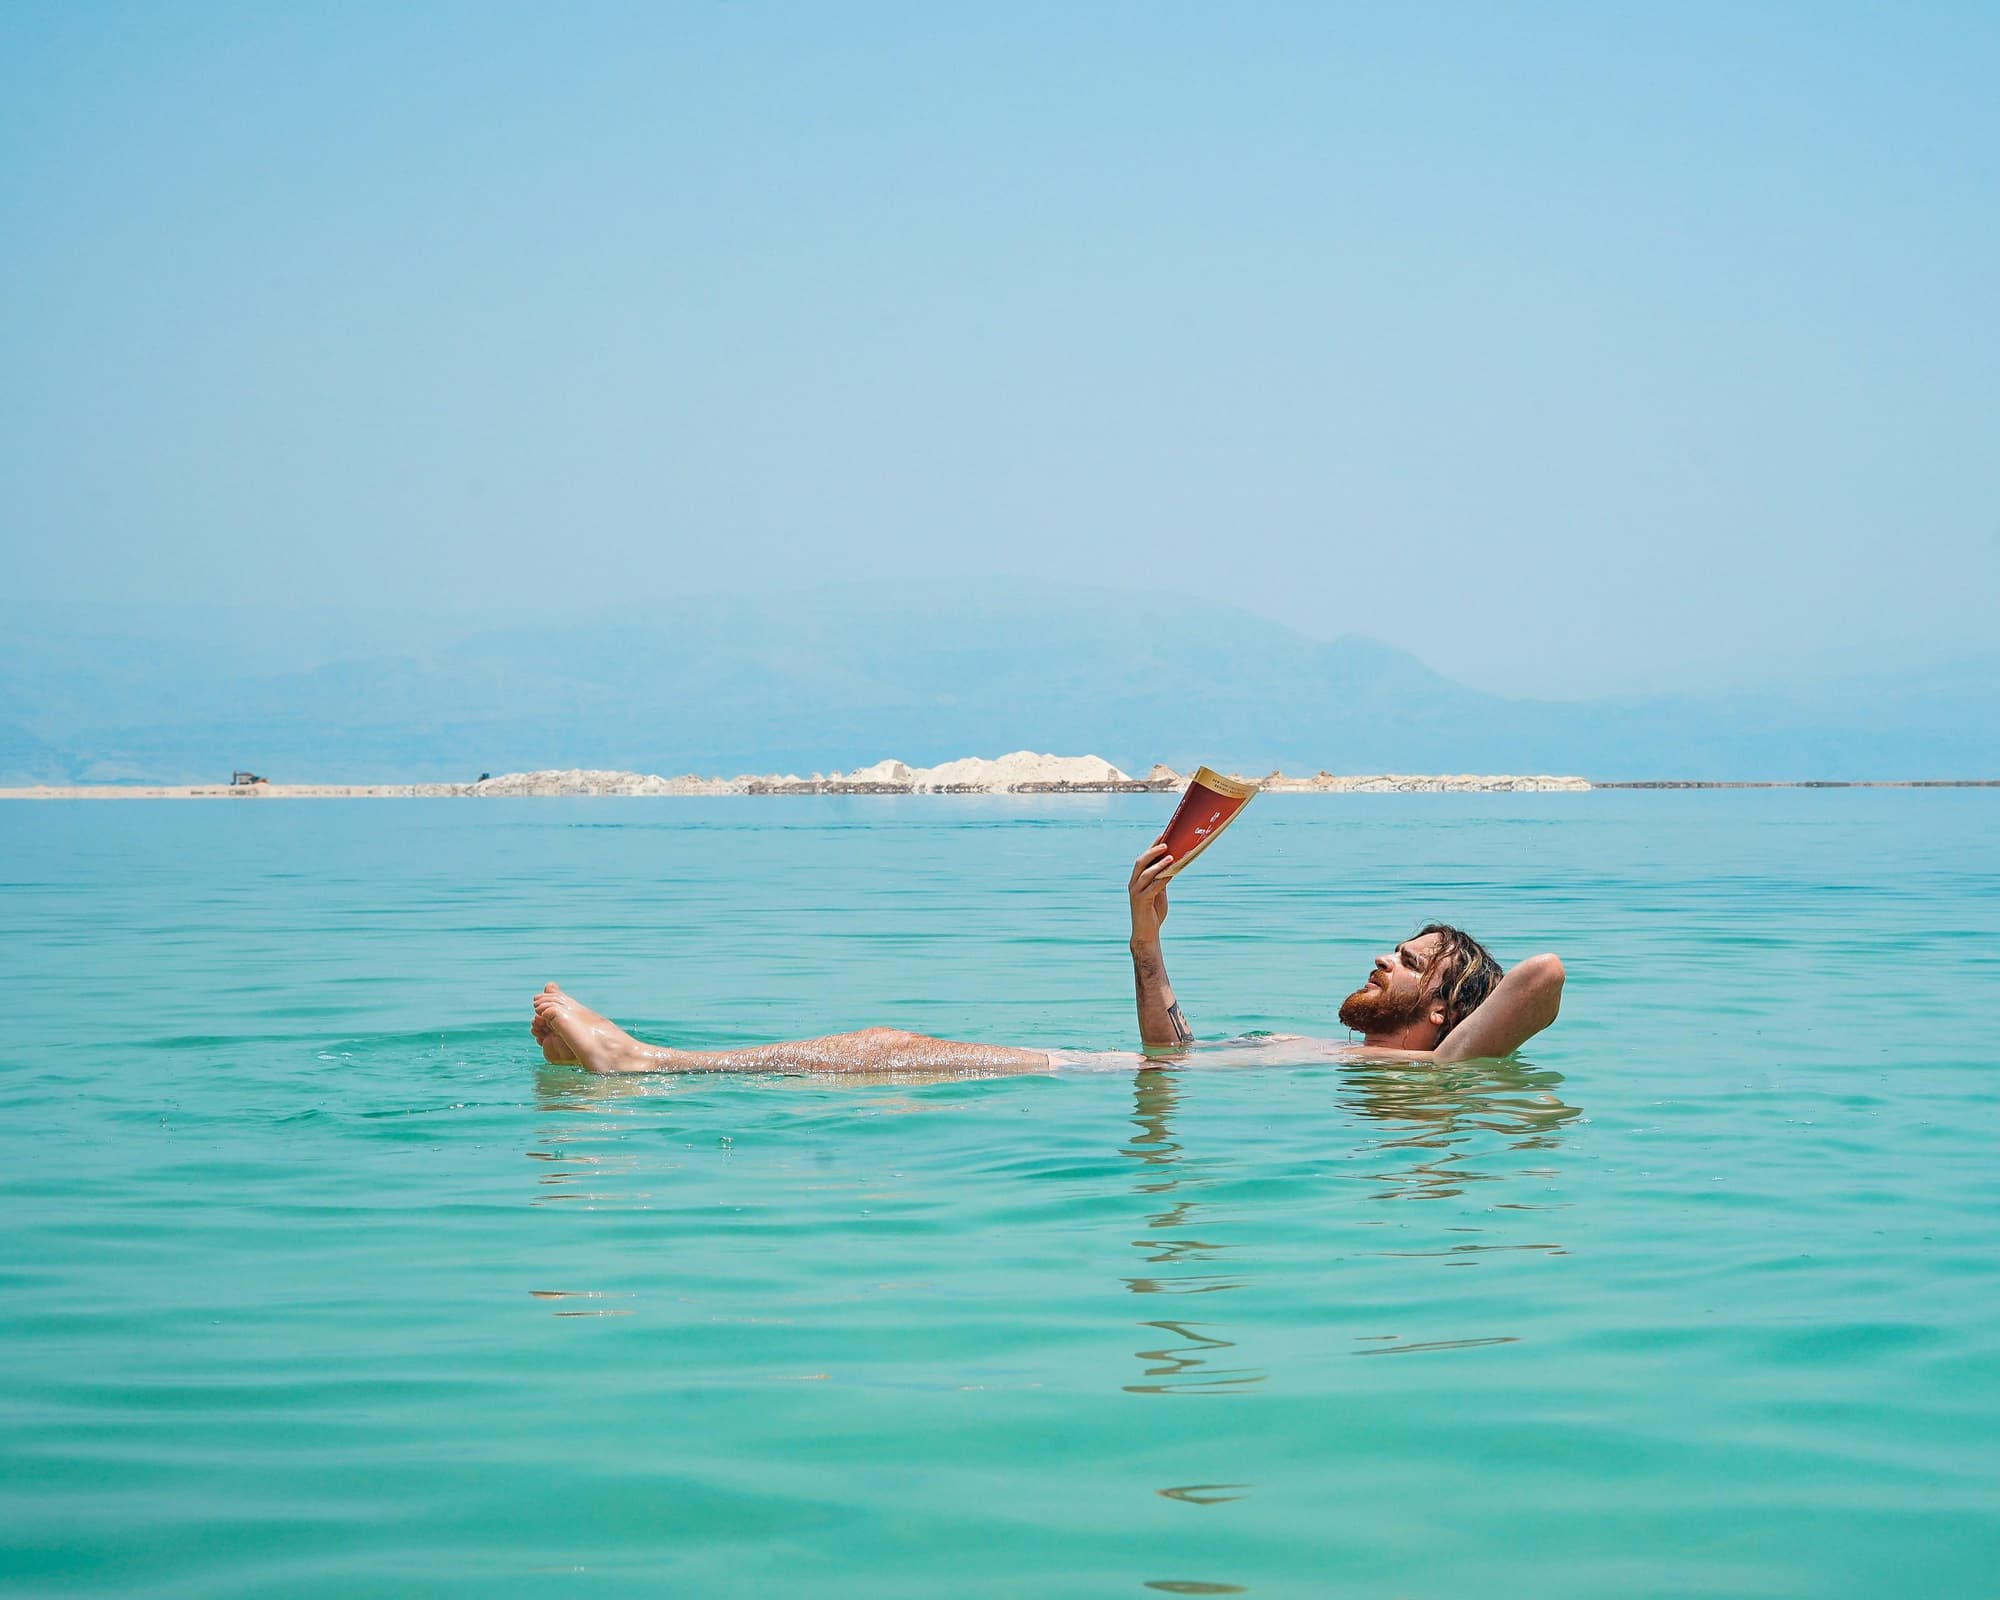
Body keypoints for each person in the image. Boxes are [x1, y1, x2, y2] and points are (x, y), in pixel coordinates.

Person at [528, 842, 1563, 1076]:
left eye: (1408, 959)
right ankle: (648, 1063)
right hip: (1123, 1076)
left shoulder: (1431, 1074)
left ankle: (644, 1065)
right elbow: (1172, 1052)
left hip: (1080, 1084)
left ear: (1444, 1005)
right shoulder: (1378, 1071)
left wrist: (1452, 1042)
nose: (1380, 957)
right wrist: (1144, 932)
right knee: (889, 1052)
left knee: (888, 1050)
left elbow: (1541, 974)